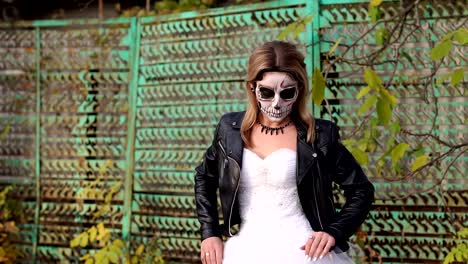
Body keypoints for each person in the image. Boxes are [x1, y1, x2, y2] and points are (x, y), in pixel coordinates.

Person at [194, 40, 374, 264]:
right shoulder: (229, 130)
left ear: (299, 90)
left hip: (304, 252)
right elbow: (204, 176)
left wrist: (334, 231)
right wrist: (209, 232)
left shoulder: (319, 136)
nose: (277, 103)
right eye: (267, 92)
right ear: (253, 88)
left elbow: (361, 190)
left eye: (287, 92)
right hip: (245, 250)